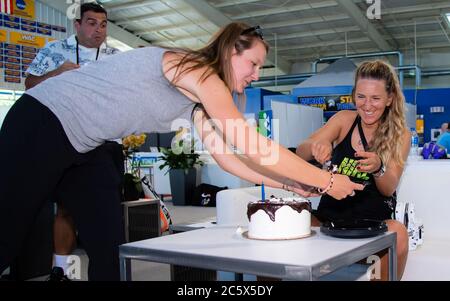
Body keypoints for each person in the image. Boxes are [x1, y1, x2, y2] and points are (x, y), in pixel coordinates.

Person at [0, 22, 363, 281]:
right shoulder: (190, 68)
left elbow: (230, 158)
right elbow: (251, 142)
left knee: (109, 247)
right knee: (9, 233)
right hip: (42, 121)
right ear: (230, 49)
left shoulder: (197, 102)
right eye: (253, 63)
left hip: (89, 144)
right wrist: (326, 180)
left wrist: (291, 183)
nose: (256, 74)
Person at [24, 2, 122, 281]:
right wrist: (59, 73)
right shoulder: (56, 50)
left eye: (103, 24)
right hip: (67, 140)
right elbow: (30, 84)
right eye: (91, 23)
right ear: (77, 25)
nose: (98, 30)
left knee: (106, 213)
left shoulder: (116, 55)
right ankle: (61, 271)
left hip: (106, 142)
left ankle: (104, 272)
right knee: (66, 208)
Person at [296, 60, 410, 280]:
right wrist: (317, 147)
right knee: (292, 219)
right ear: (353, 95)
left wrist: (379, 167)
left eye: (376, 98)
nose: (367, 105)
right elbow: (301, 152)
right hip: (329, 221)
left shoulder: (400, 135)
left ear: (389, 99)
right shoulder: (344, 120)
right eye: (361, 97)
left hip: (373, 228)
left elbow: (389, 188)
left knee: (399, 232)